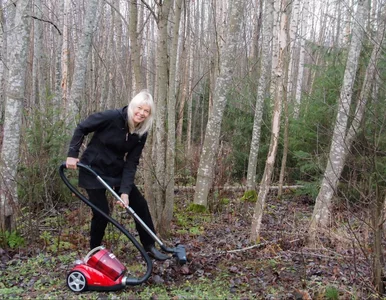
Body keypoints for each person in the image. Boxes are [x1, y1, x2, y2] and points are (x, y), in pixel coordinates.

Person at [66, 90, 169, 261]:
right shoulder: (111, 117)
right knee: (102, 212)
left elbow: (131, 162)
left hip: (116, 170)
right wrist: (72, 153)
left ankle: (149, 246)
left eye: (146, 111)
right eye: (139, 108)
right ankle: (94, 253)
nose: (141, 113)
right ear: (132, 106)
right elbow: (82, 128)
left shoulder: (141, 132)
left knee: (140, 204)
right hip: (93, 169)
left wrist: (125, 192)